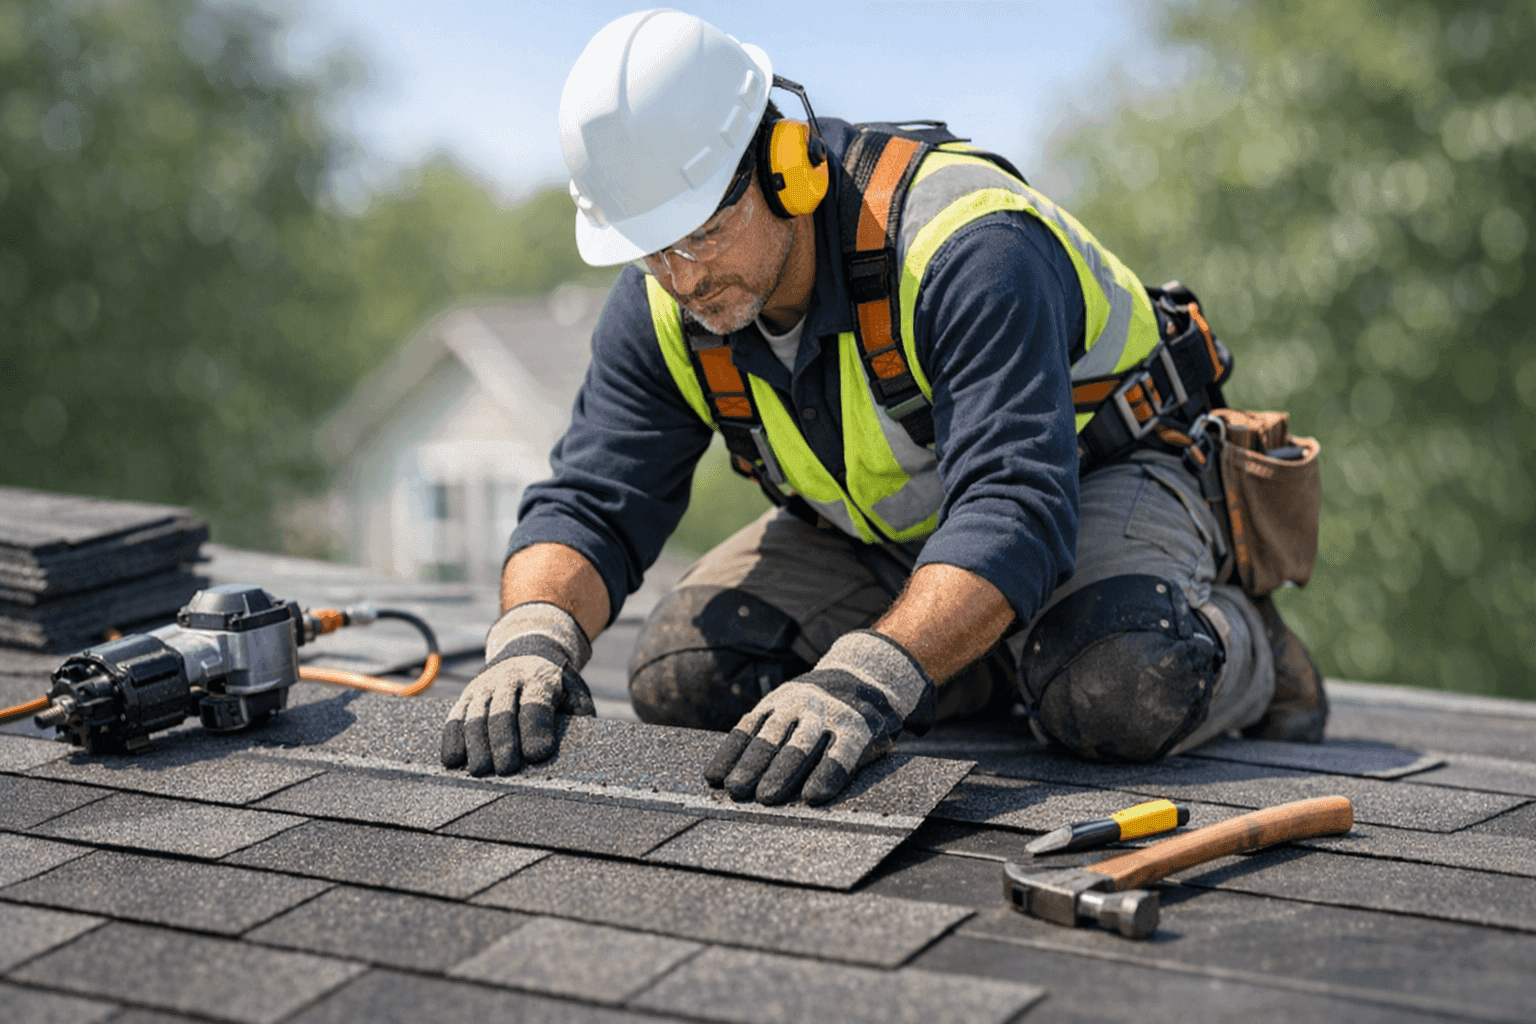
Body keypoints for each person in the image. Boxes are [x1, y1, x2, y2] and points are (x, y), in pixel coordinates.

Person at [439, 9, 1328, 804]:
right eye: (652, 251)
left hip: (1098, 480)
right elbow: (593, 498)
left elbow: (1016, 506)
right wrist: (533, 634)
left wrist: (871, 675)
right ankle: (988, 655)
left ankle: (1247, 649)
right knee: (689, 675)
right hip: (893, 532)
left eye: (705, 232)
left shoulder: (970, 248)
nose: (685, 279)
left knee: (1113, 681)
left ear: (785, 166)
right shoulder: (669, 300)